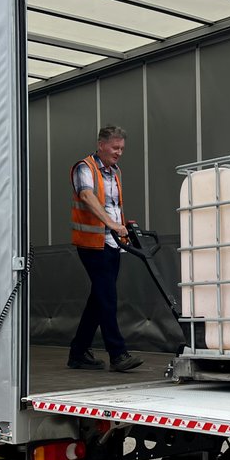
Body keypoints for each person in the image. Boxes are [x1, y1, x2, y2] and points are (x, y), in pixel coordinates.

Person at [67, 125, 144, 372]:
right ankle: (118, 354)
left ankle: (78, 353)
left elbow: (113, 204)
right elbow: (88, 197)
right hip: (92, 243)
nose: (119, 152)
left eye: (122, 148)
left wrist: (123, 228)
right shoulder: (84, 168)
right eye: (115, 147)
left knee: (99, 299)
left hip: (112, 242)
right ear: (101, 145)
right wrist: (111, 223)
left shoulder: (114, 171)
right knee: (107, 297)